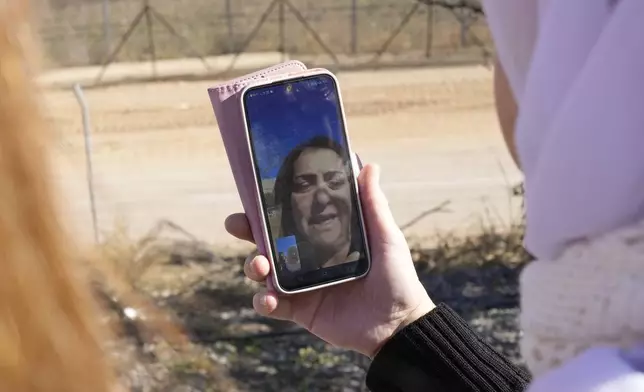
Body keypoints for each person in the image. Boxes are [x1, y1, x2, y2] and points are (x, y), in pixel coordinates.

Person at [227, 1, 644, 391]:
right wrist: (401, 325)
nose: (503, 71)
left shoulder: (607, 368)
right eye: (303, 185)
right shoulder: (604, 335)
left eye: (507, 45)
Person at [272, 135, 363, 271]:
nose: (322, 198)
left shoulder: (377, 263)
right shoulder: (288, 271)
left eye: (335, 182)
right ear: (289, 205)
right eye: (304, 185)